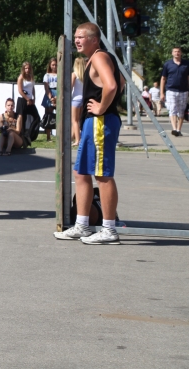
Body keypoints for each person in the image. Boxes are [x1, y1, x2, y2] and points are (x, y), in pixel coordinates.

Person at [55, 22, 124, 245]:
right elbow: (121, 82)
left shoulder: (99, 57)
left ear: (94, 39)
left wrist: (102, 108)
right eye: (76, 36)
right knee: (81, 173)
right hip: (92, 123)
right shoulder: (93, 59)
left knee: (102, 175)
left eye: (81, 36)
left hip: (100, 122)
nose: (76, 40)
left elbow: (113, 85)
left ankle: (109, 228)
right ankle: (82, 225)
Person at [160, 46, 188, 137]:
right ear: (172, 53)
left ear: (181, 53)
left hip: (183, 90)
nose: (177, 53)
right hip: (171, 90)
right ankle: (174, 128)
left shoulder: (186, 64)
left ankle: (179, 130)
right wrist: (161, 92)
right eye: (175, 51)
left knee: (181, 111)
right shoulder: (168, 64)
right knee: (172, 109)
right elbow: (163, 78)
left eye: (178, 51)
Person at [15, 62, 36, 139]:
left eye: (29, 68)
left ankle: (29, 133)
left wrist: (34, 98)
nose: (27, 70)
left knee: (36, 117)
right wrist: (27, 98)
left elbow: (33, 88)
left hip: (30, 99)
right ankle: (21, 134)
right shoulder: (21, 77)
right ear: (23, 69)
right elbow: (20, 90)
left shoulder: (31, 77)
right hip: (22, 99)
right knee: (21, 117)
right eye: (26, 68)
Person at [42, 58, 58, 142]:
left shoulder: (60, 74)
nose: (54, 66)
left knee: (60, 116)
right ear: (50, 65)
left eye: (56, 64)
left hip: (58, 94)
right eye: (53, 65)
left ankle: (60, 136)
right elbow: (46, 87)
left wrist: (57, 97)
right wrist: (50, 97)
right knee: (49, 116)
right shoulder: (47, 75)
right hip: (50, 93)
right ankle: (48, 137)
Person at [71, 56, 86, 146]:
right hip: (83, 99)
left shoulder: (74, 74)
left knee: (74, 120)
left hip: (75, 99)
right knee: (79, 120)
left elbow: (70, 87)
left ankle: (78, 140)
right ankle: (74, 137)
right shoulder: (85, 75)